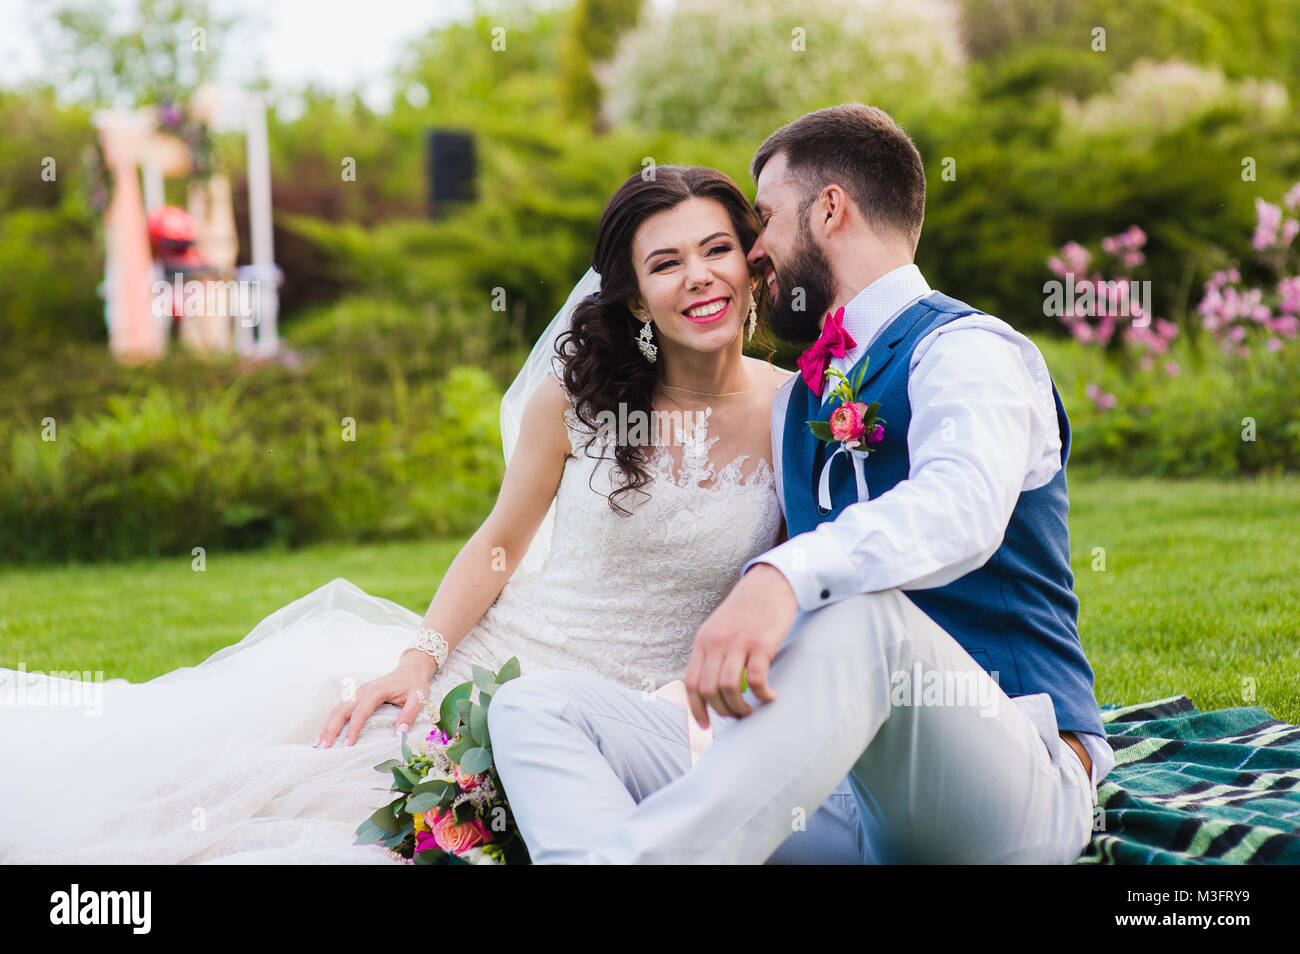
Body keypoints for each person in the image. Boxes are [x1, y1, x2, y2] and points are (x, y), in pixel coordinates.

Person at [0, 165, 865, 864]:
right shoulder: (576, 401)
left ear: (750, 267)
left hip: (644, 719)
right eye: (665, 262)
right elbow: (499, 544)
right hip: (497, 679)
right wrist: (419, 660)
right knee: (290, 819)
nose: (698, 276)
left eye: (716, 249)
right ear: (637, 299)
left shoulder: (804, 413)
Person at [486, 103, 1116, 864]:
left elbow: (961, 508)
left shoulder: (969, 351)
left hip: (1003, 784)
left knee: (861, 619)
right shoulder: (801, 400)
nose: (753, 251)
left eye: (765, 219)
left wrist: (781, 578)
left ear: (829, 210)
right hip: (831, 786)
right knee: (535, 707)